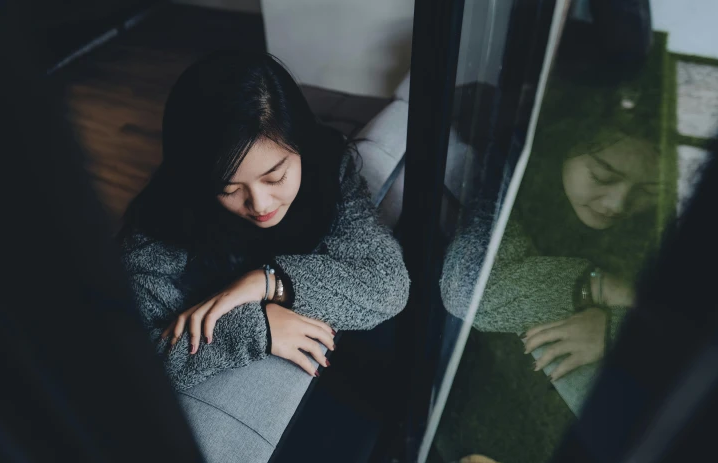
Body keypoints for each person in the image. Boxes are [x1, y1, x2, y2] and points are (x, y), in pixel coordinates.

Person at [119, 51, 409, 393]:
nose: (260, 204)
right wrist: (258, 326)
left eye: (275, 177)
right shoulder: (160, 222)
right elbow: (132, 357)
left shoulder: (330, 166)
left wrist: (269, 283)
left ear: (300, 143)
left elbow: (389, 287)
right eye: (229, 188)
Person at [442, 56, 666, 408]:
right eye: (602, 176)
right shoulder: (514, 172)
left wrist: (622, 327)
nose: (618, 203)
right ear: (563, 145)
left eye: (650, 190)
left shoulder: (668, 224)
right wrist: (603, 286)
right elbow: (469, 288)